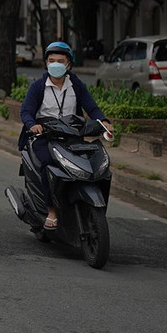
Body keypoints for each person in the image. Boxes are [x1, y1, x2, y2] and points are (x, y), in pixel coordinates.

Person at [19, 41, 113, 230]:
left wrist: (103, 122)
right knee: (48, 164)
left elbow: (91, 108)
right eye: (51, 60)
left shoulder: (76, 85)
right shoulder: (38, 86)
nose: (56, 64)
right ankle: (51, 210)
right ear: (46, 63)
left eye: (60, 61)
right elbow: (26, 111)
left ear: (69, 64)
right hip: (44, 136)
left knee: (92, 163)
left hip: (71, 135)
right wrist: (33, 125)